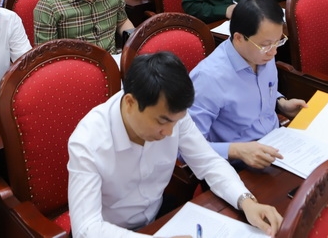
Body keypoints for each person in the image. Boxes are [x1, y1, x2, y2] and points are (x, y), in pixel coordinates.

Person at [67, 51, 283, 238]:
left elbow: (208, 162)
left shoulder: (173, 115)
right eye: (162, 122)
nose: (170, 132)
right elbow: (86, 228)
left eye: (175, 122)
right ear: (131, 103)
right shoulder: (88, 141)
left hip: (157, 217)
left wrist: (246, 202)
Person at [189, 0, 306, 168]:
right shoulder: (208, 78)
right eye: (266, 45)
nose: (274, 52)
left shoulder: (262, 53)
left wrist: (281, 102)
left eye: (278, 42)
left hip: (279, 144)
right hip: (241, 164)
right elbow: (188, 148)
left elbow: (255, 88)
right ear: (239, 38)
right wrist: (236, 151)